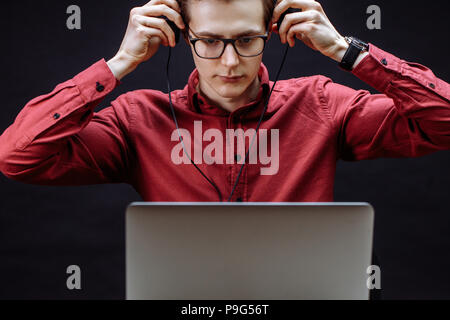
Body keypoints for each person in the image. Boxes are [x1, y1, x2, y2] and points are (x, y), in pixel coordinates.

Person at [0, 0, 449, 202]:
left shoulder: (321, 104)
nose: (230, 62)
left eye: (247, 39)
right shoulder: (138, 120)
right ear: (181, 37)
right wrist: (118, 64)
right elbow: (17, 157)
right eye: (210, 41)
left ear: (273, 32)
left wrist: (347, 52)